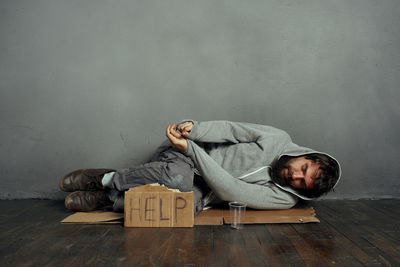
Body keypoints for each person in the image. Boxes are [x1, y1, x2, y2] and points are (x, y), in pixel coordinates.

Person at [59, 120, 341, 214]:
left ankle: (108, 200)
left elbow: (230, 190)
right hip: (182, 157)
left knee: (186, 205)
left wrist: (191, 148)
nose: (295, 176)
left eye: (302, 183)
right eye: (303, 168)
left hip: (201, 188)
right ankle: (104, 179)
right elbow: (232, 129)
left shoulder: (285, 199)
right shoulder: (278, 139)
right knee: (177, 176)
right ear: (307, 156)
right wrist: (195, 130)